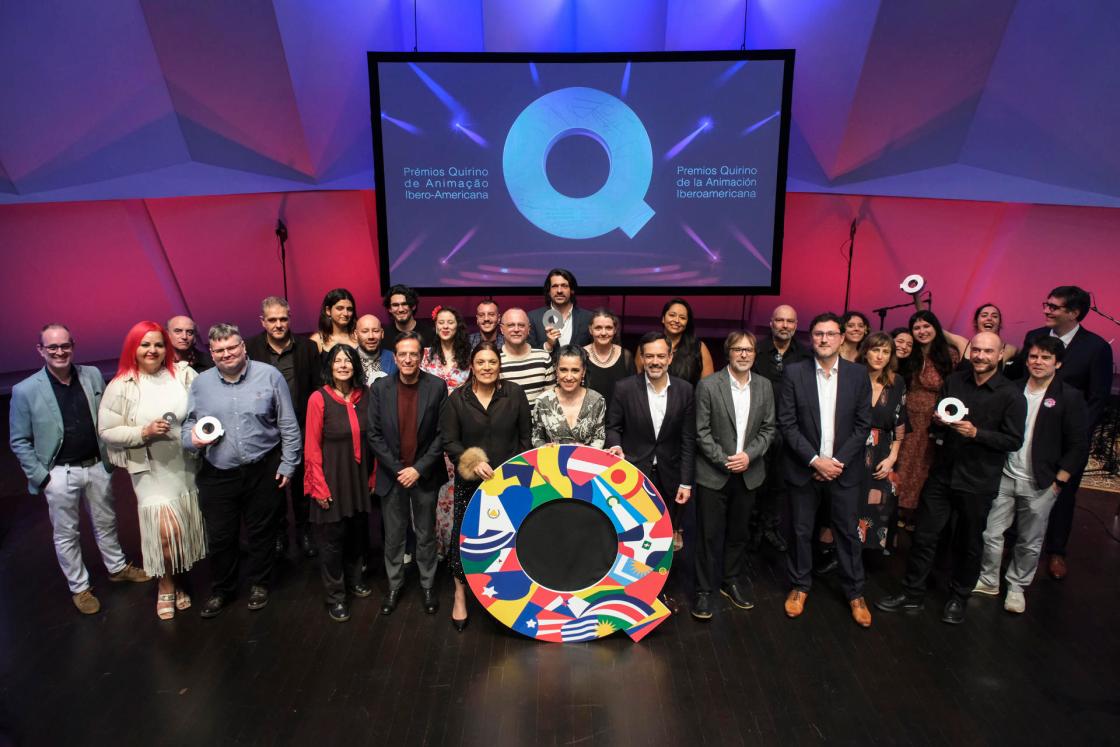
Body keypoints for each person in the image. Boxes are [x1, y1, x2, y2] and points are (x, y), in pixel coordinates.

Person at [877, 332, 1026, 625]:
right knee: (924, 535)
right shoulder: (955, 382)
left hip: (978, 480)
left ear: (1000, 355)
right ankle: (912, 593)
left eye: (988, 351)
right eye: (977, 350)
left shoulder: (1011, 395)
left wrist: (977, 433)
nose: (980, 356)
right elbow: (939, 421)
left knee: (968, 542)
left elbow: (1013, 440)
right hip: (943, 473)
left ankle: (959, 597)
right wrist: (938, 421)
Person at [9, 324, 149, 614]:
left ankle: (117, 567)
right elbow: (19, 440)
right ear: (40, 350)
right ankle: (79, 587)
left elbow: (106, 417)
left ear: (72, 346)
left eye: (65, 345)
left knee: (106, 522)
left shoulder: (92, 375)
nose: (60, 352)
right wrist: (42, 477)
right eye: (52, 347)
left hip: (96, 465)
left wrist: (109, 460)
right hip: (59, 473)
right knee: (66, 533)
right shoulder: (25, 391)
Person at [182, 323, 301, 617]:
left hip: (263, 468)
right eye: (219, 350)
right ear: (211, 353)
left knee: (262, 532)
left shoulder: (269, 375)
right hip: (217, 471)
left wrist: (289, 463)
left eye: (232, 347)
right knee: (221, 537)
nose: (227, 354)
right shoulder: (201, 383)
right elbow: (189, 423)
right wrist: (191, 440)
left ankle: (260, 583)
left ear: (243, 347)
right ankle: (223, 590)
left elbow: (288, 423)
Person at [98, 322, 206, 619]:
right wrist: (142, 432)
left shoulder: (182, 374)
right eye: (145, 344)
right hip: (150, 471)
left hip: (185, 464)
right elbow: (106, 431)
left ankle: (179, 578)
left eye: (158, 344)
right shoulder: (121, 384)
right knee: (165, 533)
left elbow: (205, 405)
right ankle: (165, 584)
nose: (152, 350)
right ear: (133, 348)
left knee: (181, 530)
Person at [976, 337, 1088, 613]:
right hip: (1004, 474)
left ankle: (1016, 587)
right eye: (1034, 357)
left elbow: (1078, 444)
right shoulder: (1011, 389)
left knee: (1029, 540)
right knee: (991, 533)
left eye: (1045, 358)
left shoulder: (1069, 396)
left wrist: (1059, 481)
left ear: (1057, 363)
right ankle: (989, 580)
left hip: (1042, 481)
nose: (1038, 362)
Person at [1009, 285, 1112, 581]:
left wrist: (1076, 436)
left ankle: (1056, 550)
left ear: (1074, 313)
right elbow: (1019, 379)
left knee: (1062, 494)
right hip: (1029, 430)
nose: (1046, 310)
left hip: (1067, 439)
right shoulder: (1034, 336)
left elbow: (1098, 398)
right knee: (1021, 487)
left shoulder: (1096, 348)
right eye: (1046, 304)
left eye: (1053, 307)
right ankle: (1014, 544)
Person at [778, 313, 873, 627]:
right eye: (818, 333)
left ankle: (855, 593)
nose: (824, 339)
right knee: (800, 531)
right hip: (804, 468)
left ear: (842, 338)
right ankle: (799, 586)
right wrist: (815, 461)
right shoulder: (794, 373)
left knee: (847, 532)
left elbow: (862, 425)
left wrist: (836, 463)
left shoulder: (858, 375)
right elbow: (787, 423)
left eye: (831, 334)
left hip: (844, 470)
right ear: (811, 338)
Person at [442, 342, 532, 631]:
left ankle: (505, 598)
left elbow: (526, 437)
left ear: (499, 365)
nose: (487, 367)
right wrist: (473, 461)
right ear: (472, 365)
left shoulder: (515, 394)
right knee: (465, 538)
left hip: (509, 483)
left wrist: (515, 473)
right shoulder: (458, 399)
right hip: (471, 483)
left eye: (492, 362)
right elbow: (450, 441)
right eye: (480, 362)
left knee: (509, 540)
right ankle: (460, 595)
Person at [691, 331, 775, 620]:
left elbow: (769, 429)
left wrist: (748, 457)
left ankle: (731, 581)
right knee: (707, 535)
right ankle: (703, 590)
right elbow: (701, 432)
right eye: (738, 349)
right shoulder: (708, 385)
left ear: (755, 354)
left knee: (739, 534)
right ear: (728, 352)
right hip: (713, 474)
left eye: (748, 350)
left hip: (749, 473)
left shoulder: (764, 386)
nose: (743, 354)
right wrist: (725, 460)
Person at [606, 331, 696, 596]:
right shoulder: (624, 388)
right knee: (631, 535)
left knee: (662, 537)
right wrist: (616, 445)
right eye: (649, 356)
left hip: (670, 476)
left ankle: (657, 591)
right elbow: (613, 427)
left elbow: (688, 439)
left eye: (660, 356)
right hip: (634, 474)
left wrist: (686, 482)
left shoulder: (685, 390)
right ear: (642, 358)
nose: (655, 361)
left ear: (670, 357)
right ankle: (628, 593)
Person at [368, 332, 448, 617]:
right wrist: (399, 469)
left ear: (421, 356)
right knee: (394, 536)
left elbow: (442, 434)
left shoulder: (436, 387)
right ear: (395, 357)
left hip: (424, 474)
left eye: (413, 354)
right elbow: (374, 434)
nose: (408, 359)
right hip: (392, 476)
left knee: (425, 534)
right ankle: (394, 585)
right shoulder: (380, 388)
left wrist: (418, 469)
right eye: (402, 354)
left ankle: (427, 585)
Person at [245, 296, 321, 559]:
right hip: (264, 431)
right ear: (262, 322)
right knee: (271, 487)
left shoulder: (307, 348)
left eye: (283, 319)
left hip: (300, 427)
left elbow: (316, 388)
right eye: (272, 320)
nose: (278, 324)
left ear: (290, 319)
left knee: (301, 486)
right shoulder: (250, 348)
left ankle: (304, 532)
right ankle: (279, 533)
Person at [304, 344, 374, 622]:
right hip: (331, 477)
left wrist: (373, 474)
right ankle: (336, 596)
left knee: (357, 534)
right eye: (337, 361)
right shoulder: (318, 399)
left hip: (358, 478)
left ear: (356, 366)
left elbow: (375, 438)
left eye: (348, 361)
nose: (343, 365)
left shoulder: (365, 395)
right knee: (331, 541)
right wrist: (318, 486)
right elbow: (311, 447)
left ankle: (355, 579)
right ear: (329, 367)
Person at [751, 304, 811, 553]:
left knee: (779, 483)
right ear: (771, 323)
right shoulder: (755, 351)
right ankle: (752, 530)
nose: (785, 325)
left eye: (790, 321)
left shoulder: (805, 355)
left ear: (796, 326)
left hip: (790, 431)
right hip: (757, 429)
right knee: (755, 482)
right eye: (780, 320)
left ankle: (771, 528)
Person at [895, 310, 959, 525]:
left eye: (926, 326)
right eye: (916, 327)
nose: (922, 331)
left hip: (933, 421)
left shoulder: (949, 355)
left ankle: (915, 516)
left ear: (936, 328)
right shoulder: (909, 353)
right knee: (902, 463)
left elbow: (954, 388)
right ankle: (895, 512)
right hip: (907, 417)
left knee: (923, 467)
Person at [419, 306, 471, 559]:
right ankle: (434, 547)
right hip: (431, 430)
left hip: (460, 429)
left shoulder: (468, 356)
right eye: (441, 322)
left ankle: (456, 547)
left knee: (455, 489)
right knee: (433, 490)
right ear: (436, 326)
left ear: (457, 325)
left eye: (450, 322)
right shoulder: (425, 356)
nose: (446, 326)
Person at [854, 332, 908, 553]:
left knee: (875, 506)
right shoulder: (851, 377)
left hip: (881, 454)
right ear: (865, 351)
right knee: (848, 504)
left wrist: (892, 458)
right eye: (875, 350)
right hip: (852, 450)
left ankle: (863, 556)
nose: (880, 356)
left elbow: (900, 424)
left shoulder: (897, 382)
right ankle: (840, 553)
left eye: (886, 352)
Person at [531, 345, 606, 448]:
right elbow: (536, 437)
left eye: (575, 370)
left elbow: (599, 438)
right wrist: (544, 447)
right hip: (553, 458)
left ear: (583, 372)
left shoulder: (596, 401)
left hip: (587, 458)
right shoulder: (543, 401)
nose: (569, 377)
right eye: (563, 370)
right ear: (556, 370)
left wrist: (587, 451)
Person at [635, 298, 714, 386]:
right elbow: (637, 382)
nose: (676, 320)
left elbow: (708, 387)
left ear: (687, 323)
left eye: (682, 318)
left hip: (689, 395)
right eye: (672, 315)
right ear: (663, 318)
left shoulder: (699, 348)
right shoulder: (647, 345)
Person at [528, 268, 595, 352]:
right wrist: (548, 345)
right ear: (549, 291)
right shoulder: (533, 318)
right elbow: (527, 352)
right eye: (555, 286)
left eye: (564, 286)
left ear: (572, 290)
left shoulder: (588, 318)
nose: (559, 291)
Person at [499, 308, 555, 408]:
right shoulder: (494, 360)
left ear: (529, 329)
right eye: (511, 325)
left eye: (521, 325)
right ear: (502, 329)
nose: (516, 329)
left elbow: (551, 400)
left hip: (539, 418)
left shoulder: (544, 358)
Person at [582, 308, 635, 409]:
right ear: (590, 330)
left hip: (619, 415)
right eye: (598, 328)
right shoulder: (581, 355)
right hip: (588, 416)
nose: (603, 333)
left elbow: (633, 391)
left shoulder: (626, 356)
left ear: (615, 330)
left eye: (608, 328)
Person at [384, 284, 435, 349]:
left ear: (413, 306)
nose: (401, 309)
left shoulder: (429, 334)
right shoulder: (384, 335)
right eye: (395, 305)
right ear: (389, 309)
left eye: (405, 304)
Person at [310, 288, 358, 353]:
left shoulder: (358, 336)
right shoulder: (318, 340)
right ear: (328, 310)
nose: (346, 313)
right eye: (340, 308)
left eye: (349, 309)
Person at [355, 313, 397, 384]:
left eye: (375, 331)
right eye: (365, 331)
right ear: (356, 335)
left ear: (382, 333)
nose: (371, 336)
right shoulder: (348, 359)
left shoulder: (393, 358)